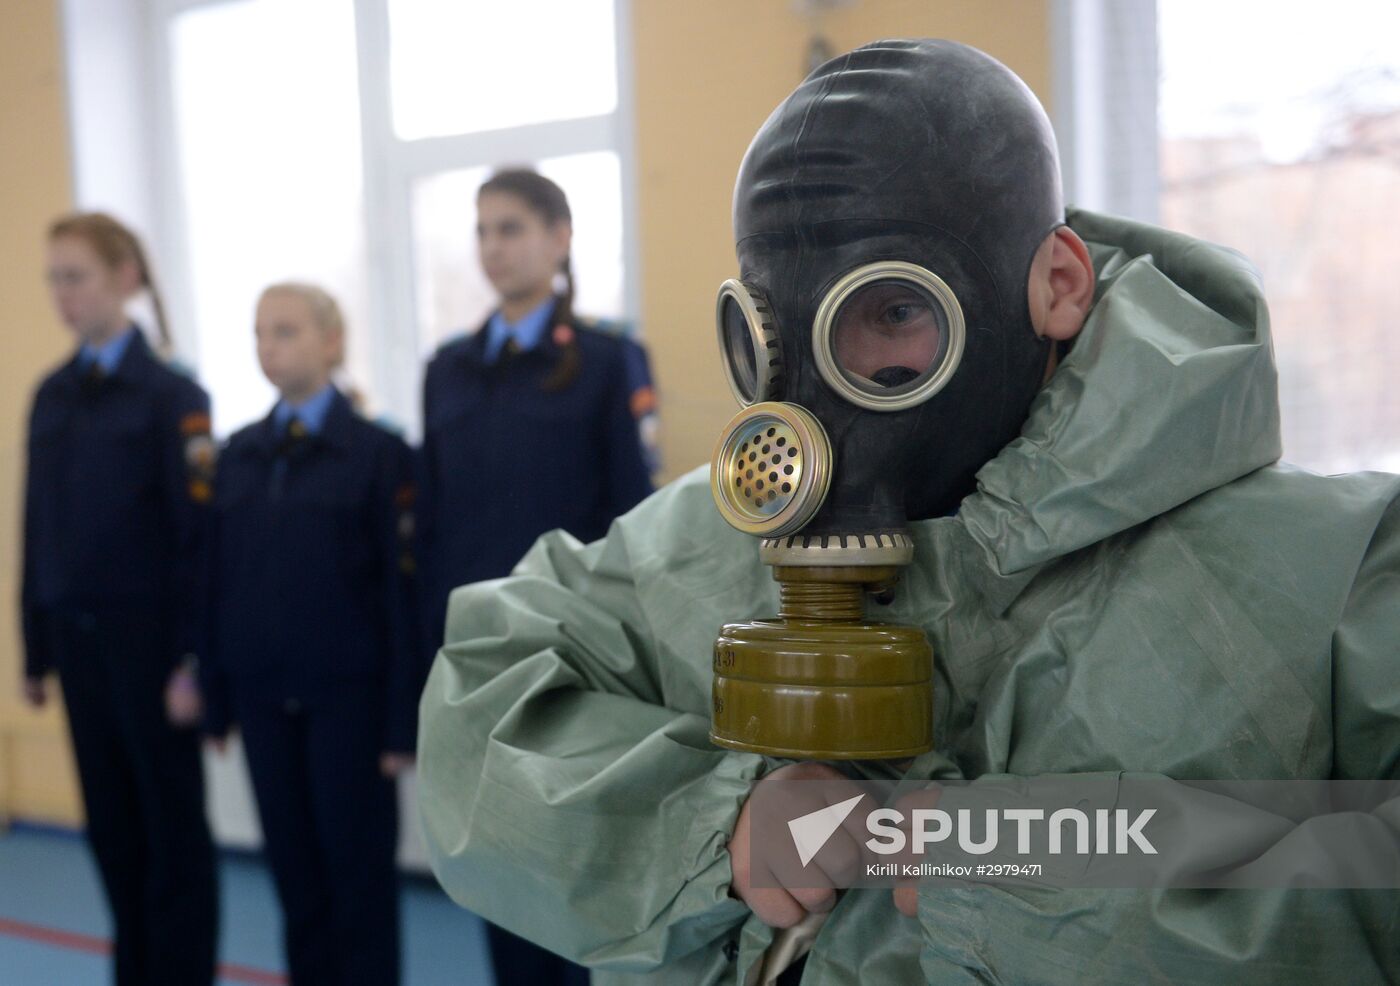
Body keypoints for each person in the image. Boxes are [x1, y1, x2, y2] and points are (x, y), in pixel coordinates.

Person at [416, 40, 1400, 986]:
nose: (818, 390)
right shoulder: (697, 546)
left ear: (1054, 283)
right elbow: (480, 707)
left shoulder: (1330, 574)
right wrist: (718, 819)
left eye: (890, 312)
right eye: (777, 330)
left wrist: (1013, 859)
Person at [418, 168, 655, 984]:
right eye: (483, 230)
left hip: (571, 658)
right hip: (480, 660)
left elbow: (632, 521)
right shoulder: (447, 370)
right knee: (497, 874)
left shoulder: (605, 361)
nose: (493, 248)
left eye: (511, 228)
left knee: (568, 881)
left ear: (560, 239)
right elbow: (438, 526)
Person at [201, 282, 420, 986]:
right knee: (297, 885)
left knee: (358, 885)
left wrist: (399, 725)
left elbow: (398, 594)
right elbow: (217, 584)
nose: (269, 347)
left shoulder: (378, 455)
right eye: (260, 333)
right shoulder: (238, 456)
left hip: (347, 706)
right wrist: (216, 698)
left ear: (330, 342)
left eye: (286, 332)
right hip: (265, 700)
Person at [20, 211, 219, 986]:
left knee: (171, 835)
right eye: (54, 279)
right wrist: (33, 646)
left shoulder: (171, 396)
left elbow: (196, 542)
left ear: (126, 279)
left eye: (77, 277)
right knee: (112, 833)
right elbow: (35, 526)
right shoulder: (54, 394)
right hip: (76, 644)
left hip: (152, 651)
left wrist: (193, 660)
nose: (62, 295)